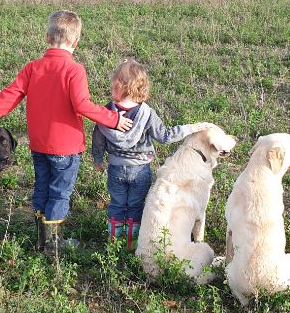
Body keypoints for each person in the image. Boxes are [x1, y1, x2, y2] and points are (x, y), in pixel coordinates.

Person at [0, 10, 133, 253]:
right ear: (76, 42)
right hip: (66, 148)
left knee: (42, 187)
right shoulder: (74, 70)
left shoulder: (32, 68)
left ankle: (42, 239)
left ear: (47, 37)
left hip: (39, 144)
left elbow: (11, 94)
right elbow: (82, 105)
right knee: (59, 193)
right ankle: (53, 244)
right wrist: (113, 119)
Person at [91, 59, 213, 249]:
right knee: (136, 206)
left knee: (117, 204)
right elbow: (164, 136)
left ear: (118, 85)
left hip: (115, 168)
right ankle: (131, 246)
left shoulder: (106, 112)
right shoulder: (146, 114)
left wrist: (98, 160)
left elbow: (98, 138)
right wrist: (191, 128)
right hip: (140, 170)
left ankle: (114, 245)